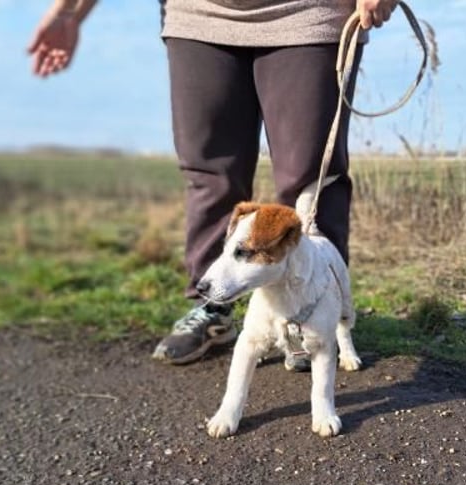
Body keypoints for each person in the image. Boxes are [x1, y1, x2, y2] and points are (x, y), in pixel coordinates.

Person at [28, 0, 399, 366]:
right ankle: (212, 309)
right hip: (198, 18)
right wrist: (67, 10)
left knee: (310, 178)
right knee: (209, 173)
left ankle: (315, 317)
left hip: (309, 13)